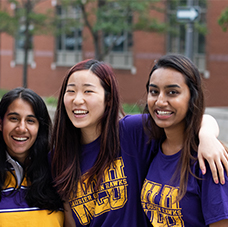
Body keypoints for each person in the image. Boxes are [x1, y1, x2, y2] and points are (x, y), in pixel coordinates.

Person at [50, 59, 228, 227]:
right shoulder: (59, 156)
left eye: (88, 91)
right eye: (71, 91)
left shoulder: (131, 132)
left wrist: (207, 136)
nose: (77, 100)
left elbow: (183, 118)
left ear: (109, 98)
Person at [140, 54, 228, 226]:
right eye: (154, 91)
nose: (160, 101)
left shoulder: (208, 160)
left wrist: (207, 135)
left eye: (172, 92)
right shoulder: (151, 146)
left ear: (192, 97)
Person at [0, 87, 64, 226]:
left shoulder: (57, 173)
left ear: (40, 127)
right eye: (14, 118)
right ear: (0, 123)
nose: (21, 128)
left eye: (30, 120)